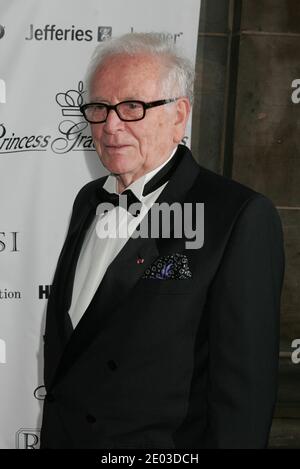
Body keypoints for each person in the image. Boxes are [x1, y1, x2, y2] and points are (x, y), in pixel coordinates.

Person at [40, 32, 284, 449]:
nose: (111, 126)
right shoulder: (88, 201)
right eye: (99, 108)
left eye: (133, 107)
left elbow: (244, 398)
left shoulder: (236, 216)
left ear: (179, 115)